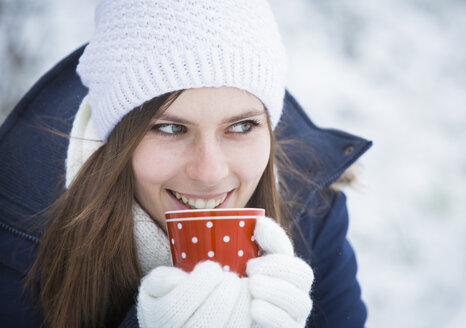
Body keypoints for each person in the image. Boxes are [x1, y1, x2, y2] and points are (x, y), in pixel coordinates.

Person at [0, 0, 371, 327]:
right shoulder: (19, 234)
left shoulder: (312, 211)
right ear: (116, 139)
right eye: (171, 128)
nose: (210, 173)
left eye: (241, 126)